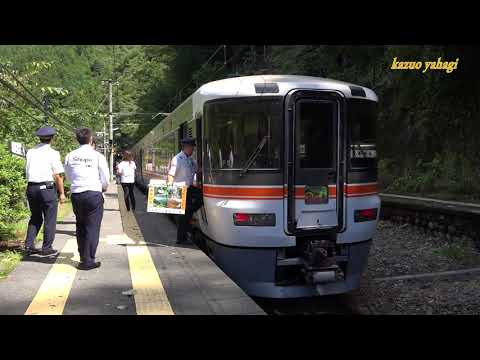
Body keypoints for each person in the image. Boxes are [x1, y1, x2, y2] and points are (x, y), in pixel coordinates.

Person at [64, 128, 110, 270]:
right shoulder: (97, 156)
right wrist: (103, 187)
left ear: (77, 140)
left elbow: (68, 176)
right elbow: (106, 178)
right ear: (90, 140)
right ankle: (89, 260)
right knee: (92, 228)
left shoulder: (70, 156)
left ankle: (83, 258)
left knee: (80, 226)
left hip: (77, 194)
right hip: (93, 194)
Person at [24, 126, 66, 256]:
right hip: (46, 189)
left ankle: (29, 246)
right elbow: (58, 175)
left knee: (35, 217)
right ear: (52, 138)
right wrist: (62, 193)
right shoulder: (53, 153)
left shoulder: (30, 152)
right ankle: (46, 248)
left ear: (39, 138)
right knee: (50, 218)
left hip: (31, 188)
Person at [167, 137, 203, 244]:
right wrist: (170, 190)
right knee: (183, 217)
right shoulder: (177, 159)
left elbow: (198, 170)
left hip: (189, 188)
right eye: (192, 148)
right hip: (180, 190)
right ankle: (181, 239)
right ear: (187, 147)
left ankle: (189, 215)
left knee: (199, 201)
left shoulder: (191, 160)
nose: (193, 150)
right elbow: (171, 175)